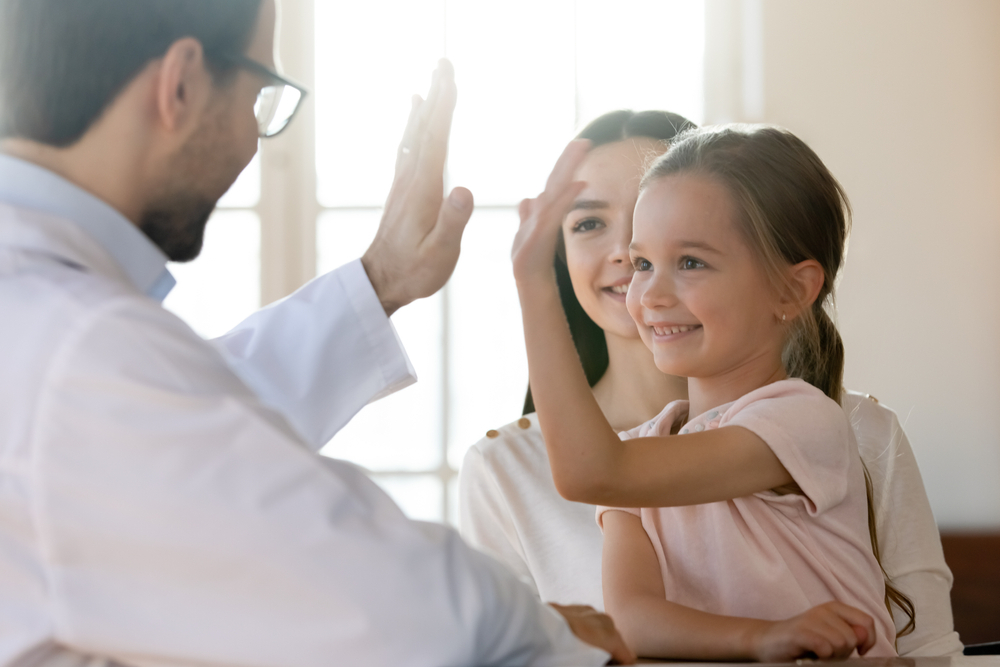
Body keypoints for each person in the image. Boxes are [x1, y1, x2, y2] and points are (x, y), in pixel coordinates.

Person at [0, 1, 634, 665]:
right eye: (259, 96)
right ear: (181, 84)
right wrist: (554, 634)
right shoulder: (78, 345)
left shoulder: (50, 318)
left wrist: (380, 278)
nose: (254, 141)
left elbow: (181, 426)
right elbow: (420, 619)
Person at [460, 111, 962, 657]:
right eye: (642, 260)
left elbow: (594, 473)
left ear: (793, 292)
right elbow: (630, 620)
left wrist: (533, 282)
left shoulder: (810, 420)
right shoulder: (630, 456)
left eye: (692, 260)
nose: (645, 290)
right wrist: (760, 639)